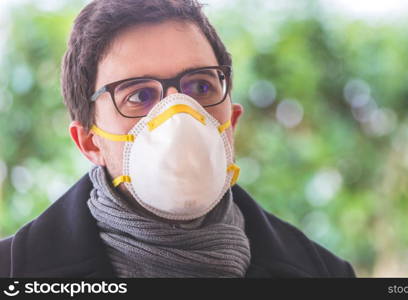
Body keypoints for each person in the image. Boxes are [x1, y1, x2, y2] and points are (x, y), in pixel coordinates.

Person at [0, 0, 355, 278]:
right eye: (138, 96)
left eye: (201, 87)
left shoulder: (326, 275)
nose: (178, 115)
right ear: (90, 143)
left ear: (231, 122)